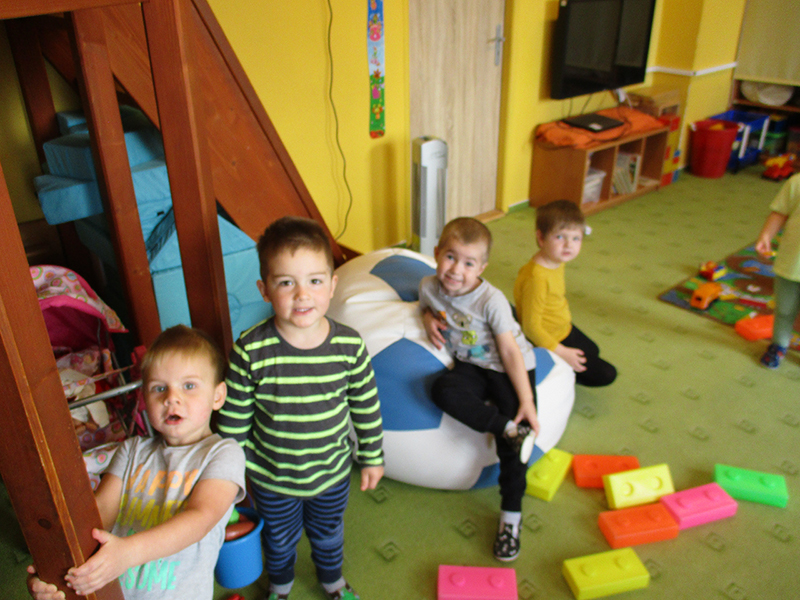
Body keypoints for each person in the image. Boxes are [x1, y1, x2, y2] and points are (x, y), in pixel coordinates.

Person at [217, 216, 384, 600]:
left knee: (329, 534)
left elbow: (366, 404)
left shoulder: (349, 346)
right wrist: (227, 476)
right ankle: (280, 585)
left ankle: (332, 580)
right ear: (264, 290)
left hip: (331, 473)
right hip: (272, 478)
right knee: (279, 539)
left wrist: (373, 455)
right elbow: (234, 422)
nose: (302, 295)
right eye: (286, 283)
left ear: (332, 285)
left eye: (315, 281)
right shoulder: (250, 351)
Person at [27, 325, 246, 600]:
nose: (171, 398)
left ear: (217, 396)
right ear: (144, 397)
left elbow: (200, 519)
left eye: (189, 386)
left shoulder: (224, 453)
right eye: (159, 388)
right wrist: (56, 568)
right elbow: (98, 516)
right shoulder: (131, 450)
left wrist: (127, 554)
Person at [418, 216, 541, 563]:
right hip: (471, 364)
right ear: (436, 252)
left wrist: (527, 401)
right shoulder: (428, 285)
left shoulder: (491, 300)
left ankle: (511, 517)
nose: (456, 270)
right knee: (443, 390)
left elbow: (510, 352)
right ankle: (506, 428)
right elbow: (425, 304)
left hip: (509, 366)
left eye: (469, 263)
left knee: (516, 446)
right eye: (450, 257)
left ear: (482, 267)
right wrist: (427, 318)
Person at [514, 199, 617, 387]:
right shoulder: (536, 278)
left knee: (593, 350)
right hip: (549, 337)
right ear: (541, 238)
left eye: (576, 238)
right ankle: (559, 370)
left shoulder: (556, 259)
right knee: (607, 374)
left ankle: (566, 366)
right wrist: (561, 352)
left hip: (562, 326)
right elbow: (530, 327)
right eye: (560, 237)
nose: (569, 245)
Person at [755, 172, 800, 368]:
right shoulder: (796, 182)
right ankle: (779, 344)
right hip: (791, 262)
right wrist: (766, 236)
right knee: (784, 310)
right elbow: (780, 212)